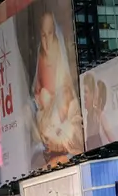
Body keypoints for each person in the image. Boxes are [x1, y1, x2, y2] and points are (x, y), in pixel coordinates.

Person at [31, 11, 84, 163]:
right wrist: (41, 97)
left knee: (62, 102)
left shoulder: (60, 51)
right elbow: (37, 88)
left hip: (60, 109)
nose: (47, 40)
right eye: (43, 35)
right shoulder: (40, 54)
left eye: (50, 33)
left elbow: (66, 85)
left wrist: (58, 99)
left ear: (54, 32)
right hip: (46, 110)